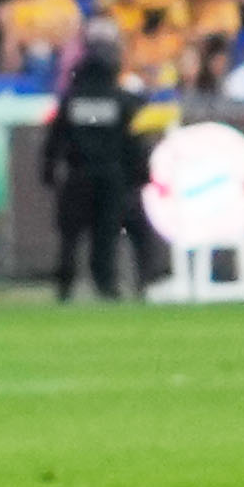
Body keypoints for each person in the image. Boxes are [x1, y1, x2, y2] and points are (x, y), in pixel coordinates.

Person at [46, 31, 143, 300]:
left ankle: (64, 287)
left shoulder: (72, 100)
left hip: (77, 176)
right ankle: (106, 286)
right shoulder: (122, 101)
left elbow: (55, 140)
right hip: (111, 178)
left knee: (70, 238)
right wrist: (138, 176)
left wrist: (49, 171)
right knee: (106, 235)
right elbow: (132, 144)